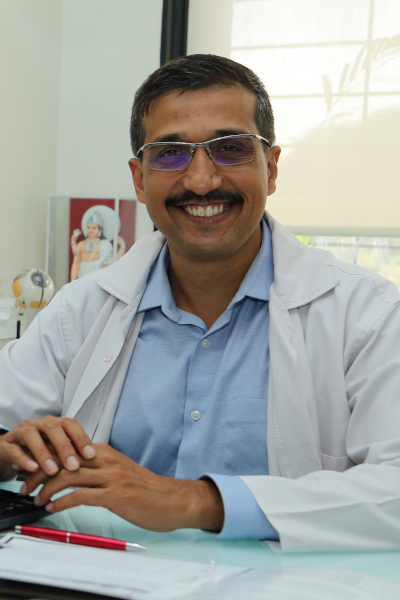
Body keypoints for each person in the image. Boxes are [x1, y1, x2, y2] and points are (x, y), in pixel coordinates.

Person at [0, 54, 400, 551]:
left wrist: (195, 501)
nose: (202, 180)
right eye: (170, 154)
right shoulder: (80, 309)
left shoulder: (367, 312)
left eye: (230, 149)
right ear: (139, 179)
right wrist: (8, 452)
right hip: (97, 577)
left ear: (271, 169)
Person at [70, 211, 126, 280]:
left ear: (100, 230)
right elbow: (76, 262)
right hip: (82, 278)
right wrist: (73, 280)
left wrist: (122, 246)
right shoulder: (81, 244)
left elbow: (113, 261)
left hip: (97, 278)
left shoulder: (105, 245)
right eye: (89, 227)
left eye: (94, 228)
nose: (91, 230)